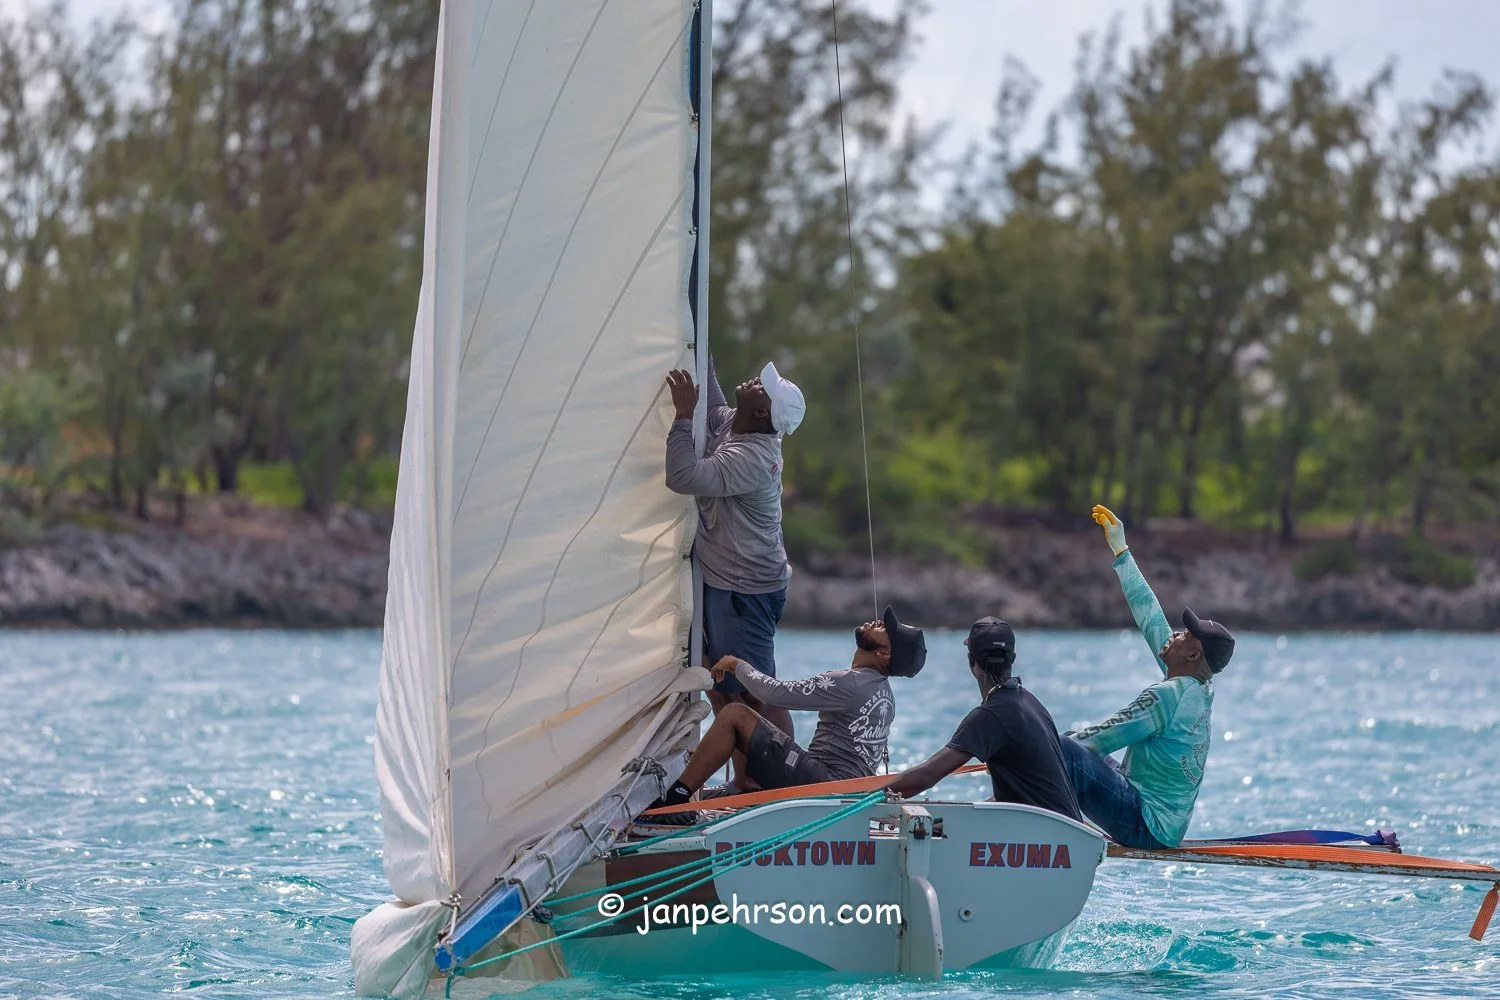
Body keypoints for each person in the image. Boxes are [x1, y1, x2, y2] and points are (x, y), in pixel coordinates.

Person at [664, 354, 805, 791]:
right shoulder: (736, 423)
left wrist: (682, 417)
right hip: (734, 583)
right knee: (720, 678)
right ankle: (747, 781)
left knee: (755, 688)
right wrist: (698, 348)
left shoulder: (751, 457)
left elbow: (682, 475)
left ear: (762, 412)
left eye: (762, 387)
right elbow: (716, 404)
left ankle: (778, 782)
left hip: (748, 590)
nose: (754, 382)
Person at [1058, 504, 1236, 849]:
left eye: (1185, 635)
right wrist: (1121, 551)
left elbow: (1097, 741)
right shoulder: (1198, 686)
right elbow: (1150, 617)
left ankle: (1025, 821)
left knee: (1064, 748)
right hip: (1166, 827)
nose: (1175, 634)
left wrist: (1030, 754)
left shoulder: (1166, 697)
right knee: (1064, 744)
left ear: (1193, 655)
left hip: (1144, 825)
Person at [646, 606, 926, 823]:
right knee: (767, 711)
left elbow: (774, 693)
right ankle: (747, 785)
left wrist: (737, 664)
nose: (878, 623)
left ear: (884, 654)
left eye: (885, 629)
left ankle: (677, 799)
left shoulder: (850, 683)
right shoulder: (883, 691)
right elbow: (776, 699)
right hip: (847, 794)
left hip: (826, 787)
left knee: (735, 716)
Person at [886, 617, 1081, 822]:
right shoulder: (1031, 703)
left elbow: (927, 775)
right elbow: (1011, 798)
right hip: (1070, 832)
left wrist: (868, 799)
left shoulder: (990, 715)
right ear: (1012, 659)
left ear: (971, 661)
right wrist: (945, 822)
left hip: (1050, 839)